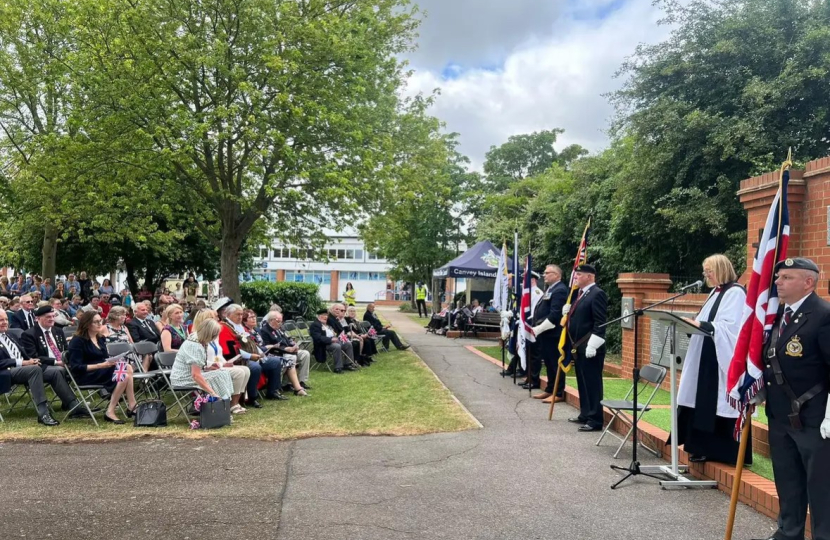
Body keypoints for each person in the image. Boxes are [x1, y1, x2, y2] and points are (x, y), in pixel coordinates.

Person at [749, 257, 830, 540]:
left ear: (808, 282)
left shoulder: (823, 315)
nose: (778, 283)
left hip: (813, 418)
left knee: (821, 486)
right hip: (781, 414)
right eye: (778, 277)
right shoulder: (776, 315)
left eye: (786, 278)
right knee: (787, 479)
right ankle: (788, 532)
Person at [677, 254, 749, 465]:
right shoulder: (715, 292)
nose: (706, 275)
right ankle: (700, 446)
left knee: (716, 401)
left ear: (721, 269)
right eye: (705, 271)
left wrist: (705, 326)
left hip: (720, 355)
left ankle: (721, 451)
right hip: (706, 351)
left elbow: (732, 326)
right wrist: (695, 324)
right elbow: (705, 320)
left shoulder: (735, 292)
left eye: (709, 271)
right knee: (701, 399)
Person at [0, 310, 88, 425]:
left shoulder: (9, 335)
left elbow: (25, 354)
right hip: (6, 371)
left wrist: (32, 361)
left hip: (25, 368)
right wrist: (22, 362)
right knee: (35, 369)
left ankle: (74, 406)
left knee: (55, 372)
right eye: (1, 320)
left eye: (6, 319)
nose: (5, 322)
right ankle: (43, 413)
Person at [67, 310, 137, 424]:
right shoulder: (77, 341)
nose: (100, 324)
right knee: (124, 371)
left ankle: (131, 405)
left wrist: (112, 362)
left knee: (126, 367)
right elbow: (76, 367)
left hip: (102, 370)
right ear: (87, 324)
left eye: (100, 321)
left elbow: (104, 358)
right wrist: (102, 365)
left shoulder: (100, 338)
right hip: (86, 374)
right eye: (96, 322)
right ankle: (112, 410)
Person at [563, 264, 607, 432]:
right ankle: (585, 413)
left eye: (579, 275)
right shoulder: (579, 294)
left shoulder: (597, 293)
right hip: (578, 346)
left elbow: (600, 322)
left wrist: (593, 344)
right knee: (583, 382)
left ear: (590, 277)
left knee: (593, 383)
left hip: (590, 346)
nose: (575, 278)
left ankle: (595, 420)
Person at [192, 308, 250, 413]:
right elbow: (199, 360)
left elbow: (218, 354)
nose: (217, 319)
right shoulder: (197, 338)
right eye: (214, 317)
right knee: (238, 373)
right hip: (206, 369)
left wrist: (224, 363)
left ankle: (236, 402)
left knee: (246, 370)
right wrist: (217, 365)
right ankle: (232, 404)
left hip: (218, 365)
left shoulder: (214, 335)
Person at [243, 309, 307, 398]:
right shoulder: (246, 332)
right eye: (251, 317)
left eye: (254, 317)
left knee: (296, 357)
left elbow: (286, 339)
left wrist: (293, 345)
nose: (254, 319)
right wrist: (271, 347)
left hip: (268, 353)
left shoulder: (257, 330)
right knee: (284, 360)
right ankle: (277, 389)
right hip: (261, 355)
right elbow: (257, 347)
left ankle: (297, 387)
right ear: (244, 320)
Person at [218, 304, 271, 409]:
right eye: (237, 314)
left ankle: (272, 390)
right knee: (254, 367)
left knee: (273, 362)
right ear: (228, 314)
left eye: (242, 314)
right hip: (236, 359)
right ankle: (252, 398)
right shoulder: (224, 327)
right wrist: (250, 356)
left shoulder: (241, 326)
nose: (240, 317)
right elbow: (232, 350)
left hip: (253, 355)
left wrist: (261, 354)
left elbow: (252, 342)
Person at [530, 265, 569, 403]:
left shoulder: (560, 290)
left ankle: (558, 392)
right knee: (548, 362)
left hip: (553, 333)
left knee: (555, 363)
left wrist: (538, 328)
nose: (544, 275)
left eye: (547, 273)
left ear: (557, 275)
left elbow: (555, 314)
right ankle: (550, 389)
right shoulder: (550, 289)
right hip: (546, 334)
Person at [171, 318, 235, 400]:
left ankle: (224, 402)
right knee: (220, 375)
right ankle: (220, 401)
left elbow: (196, 368)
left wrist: (207, 367)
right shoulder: (195, 345)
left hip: (189, 375)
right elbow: (195, 375)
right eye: (215, 335)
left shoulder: (199, 340)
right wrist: (212, 392)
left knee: (224, 372)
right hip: (182, 379)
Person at [259, 311, 311, 391]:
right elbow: (268, 347)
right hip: (277, 353)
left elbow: (287, 339)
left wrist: (293, 344)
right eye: (278, 321)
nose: (280, 323)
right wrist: (284, 349)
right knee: (291, 357)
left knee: (305, 354)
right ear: (271, 320)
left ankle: (302, 381)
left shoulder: (280, 329)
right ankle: (286, 384)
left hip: (289, 350)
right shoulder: (265, 331)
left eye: (281, 321)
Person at [309, 307, 357, 373]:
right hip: (324, 344)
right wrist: (331, 340)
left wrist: (338, 336)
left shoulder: (327, 324)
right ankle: (338, 367)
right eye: (324, 316)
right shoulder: (315, 325)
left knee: (348, 344)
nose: (326, 317)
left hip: (334, 341)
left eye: (326, 316)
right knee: (336, 346)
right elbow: (318, 338)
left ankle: (348, 364)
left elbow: (338, 329)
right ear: (319, 317)